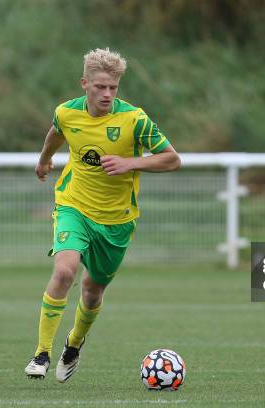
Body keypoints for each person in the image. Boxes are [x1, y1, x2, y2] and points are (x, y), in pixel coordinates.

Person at [25, 48, 181, 381]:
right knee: (65, 271)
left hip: (117, 220)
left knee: (92, 291)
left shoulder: (134, 119)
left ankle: (74, 344)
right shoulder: (67, 113)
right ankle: (41, 353)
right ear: (85, 84)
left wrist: (132, 162)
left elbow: (172, 159)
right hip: (74, 205)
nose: (107, 94)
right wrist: (43, 160)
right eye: (100, 87)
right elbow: (56, 132)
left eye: (113, 87)